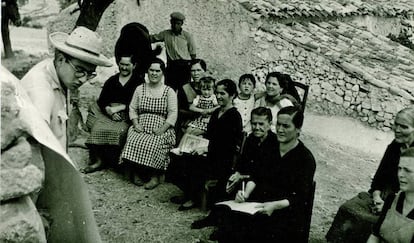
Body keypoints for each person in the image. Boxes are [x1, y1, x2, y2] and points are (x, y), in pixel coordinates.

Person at [213, 105, 316, 242]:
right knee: (229, 217)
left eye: (286, 126)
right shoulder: (270, 148)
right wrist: (245, 193)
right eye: (278, 124)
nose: (280, 130)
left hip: (284, 209)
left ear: (298, 130)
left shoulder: (305, 159)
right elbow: (256, 176)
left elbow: (300, 196)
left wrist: (274, 205)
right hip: (261, 202)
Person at [326, 107, 414, 243]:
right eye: (396, 124)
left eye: (404, 126)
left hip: (404, 208)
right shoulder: (394, 147)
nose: (397, 129)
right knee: (347, 209)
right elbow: (379, 179)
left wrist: (387, 206)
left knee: (367, 222)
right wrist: (377, 196)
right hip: (382, 199)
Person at [20, 26, 112, 150]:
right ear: (60, 60)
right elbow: (34, 146)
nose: (84, 80)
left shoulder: (59, 75)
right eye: (80, 70)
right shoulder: (41, 91)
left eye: (90, 74)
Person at [171, 79, 243, 210]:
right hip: (210, 150)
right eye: (217, 93)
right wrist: (198, 144)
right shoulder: (216, 113)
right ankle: (188, 192)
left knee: (196, 161)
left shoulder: (234, 116)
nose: (219, 96)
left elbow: (228, 144)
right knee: (183, 155)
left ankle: (194, 197)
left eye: (223, 93)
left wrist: (206, 149)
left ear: (232, 95)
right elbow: (209, 135)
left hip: (222, 157)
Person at [121, 58, 177, 190]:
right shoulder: (140, 89)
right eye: (151, 70)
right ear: (147, 71)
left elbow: (173, 113)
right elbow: (132, 108)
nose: (154, 73)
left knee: (154, 142)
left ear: (162, 73)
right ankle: (136, 172)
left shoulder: (169, 91)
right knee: (134, 139)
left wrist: (162, 129)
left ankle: (154, 176)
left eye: (157, 71)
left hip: (161, 125)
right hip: (142, 123)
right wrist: (135, 124)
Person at [83, 54, 141, 173]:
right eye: (122, 64)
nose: (124, 67)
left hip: (127, 115)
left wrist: (121, 108)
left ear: (134, 66)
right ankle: (99, 161)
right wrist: (109, 111)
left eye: (127, 65)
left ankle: (116, 162)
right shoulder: (112, 80)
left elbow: (139, 101)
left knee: (120, 131)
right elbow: (102, 100)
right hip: (109, 114)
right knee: (97, 128)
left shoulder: (138, 81)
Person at [366, 148, 414, 243]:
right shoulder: (392, 200)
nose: (400, 174)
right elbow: (375, 235)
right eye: (399, 168)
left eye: (407, 170)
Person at [150, 12, 196, 90]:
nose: (175, 26)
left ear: (182, 24)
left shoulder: (187, 36)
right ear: (171, 22)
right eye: (173, 23)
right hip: (172, 66)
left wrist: (191, 68)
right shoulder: (165, 34)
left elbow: (193, 54)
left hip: (184, 67)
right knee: (169, 89)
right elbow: (153, 38)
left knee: (184, 91)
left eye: (178, 23)